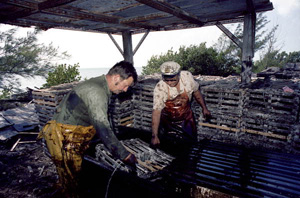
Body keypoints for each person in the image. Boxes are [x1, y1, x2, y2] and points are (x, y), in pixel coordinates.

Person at [38, 61, 138, 197]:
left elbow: (102, 119)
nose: (125, 89)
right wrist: (124, 155)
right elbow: (102, 127)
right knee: (73, 183)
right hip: (64, 138)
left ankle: (61, 190)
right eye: (125, 85)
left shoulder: (100, 85)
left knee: (69, 178)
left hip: (70, 135)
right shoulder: (97, 92)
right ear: (116, 78)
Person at [151, 61, 211, 152]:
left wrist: (204, 108)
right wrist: (154, 135)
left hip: (186, 119)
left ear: (178, 75)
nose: (169, 83)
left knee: (189, 147)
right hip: (168, 122)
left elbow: (196, 92)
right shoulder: (160, 87)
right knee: (170, 149)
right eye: (166, 80)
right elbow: (156, 111)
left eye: (173, 80)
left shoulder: (187, 78)